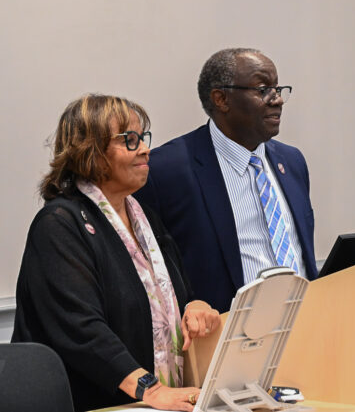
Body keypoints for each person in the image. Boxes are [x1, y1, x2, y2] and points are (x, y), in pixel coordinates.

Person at [13, 94, 220, 412]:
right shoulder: (58, 224)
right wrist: (151, 390)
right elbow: (81, 330)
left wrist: (196, 306)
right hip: (90, 403)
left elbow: (180, 294)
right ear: (90, 151)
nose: (145, 149)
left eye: (143, 137)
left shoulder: (145, 217)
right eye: (130, 140)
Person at [136, 48, 318, 313]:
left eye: (278, 89)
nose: (277, 100)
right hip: (226, 329)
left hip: (306, 318)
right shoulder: (166, 171)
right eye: (263, 90)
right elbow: (148, 267)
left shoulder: (292, 162)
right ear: (221, 99)